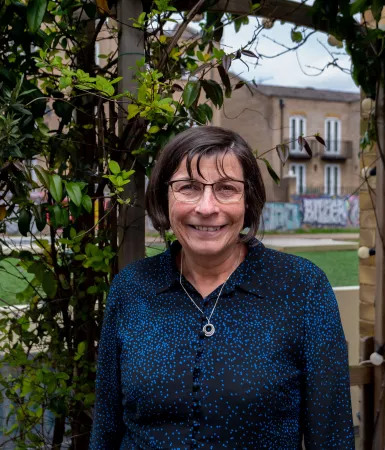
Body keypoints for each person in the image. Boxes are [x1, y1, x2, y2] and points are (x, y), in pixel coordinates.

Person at [89, 126, 355, 449]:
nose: (206, 207)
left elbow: (332, 439)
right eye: (188, 187)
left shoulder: (303, 290)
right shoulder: (130, 289)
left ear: (248, 200)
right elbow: (105, 433)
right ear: (164, 195)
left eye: (226, 188)